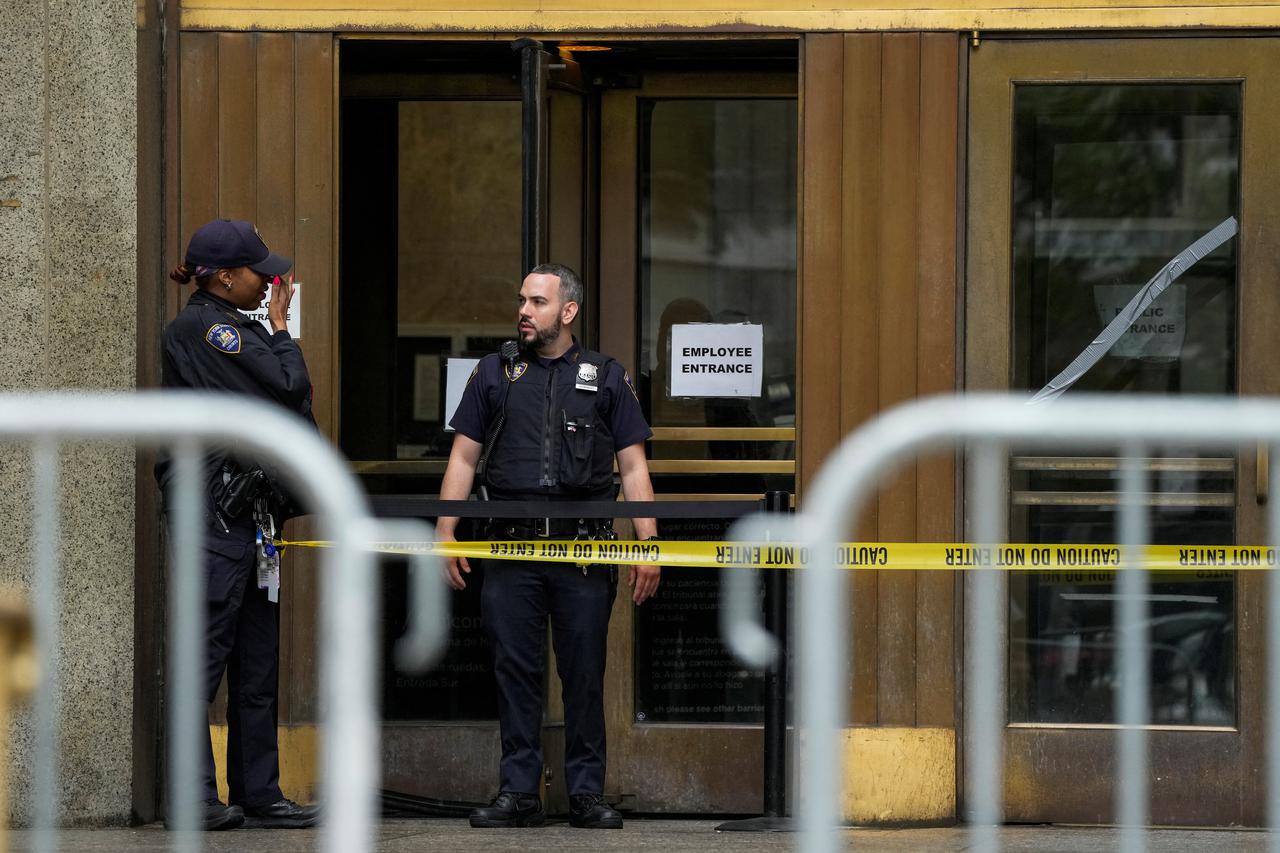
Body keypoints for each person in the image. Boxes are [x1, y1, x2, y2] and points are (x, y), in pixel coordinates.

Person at [437, 263, 660, 830]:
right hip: (510, 552)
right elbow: (463, 457)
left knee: (584, 674)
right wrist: (446, 531)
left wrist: (648, 543)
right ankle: (519, 793)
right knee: (515, 672)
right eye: (521, 301)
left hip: (583, 555)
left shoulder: (605, 376)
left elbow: (632, 466)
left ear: (568, 311)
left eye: (537, 302)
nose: (524, 312)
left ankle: (587, 794)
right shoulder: (495, 372)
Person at [155, 219, 321, 831]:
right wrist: (280, 330)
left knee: (256, 664)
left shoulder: (232, 325)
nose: (272, 281)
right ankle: (193, 799)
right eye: (260, 271)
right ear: (226, 277)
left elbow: (291, 406)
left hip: (250, 517)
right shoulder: (206, 327)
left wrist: (276, 341)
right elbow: (288, 385)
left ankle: (259, 791)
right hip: (215, 516)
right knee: (202, 661)